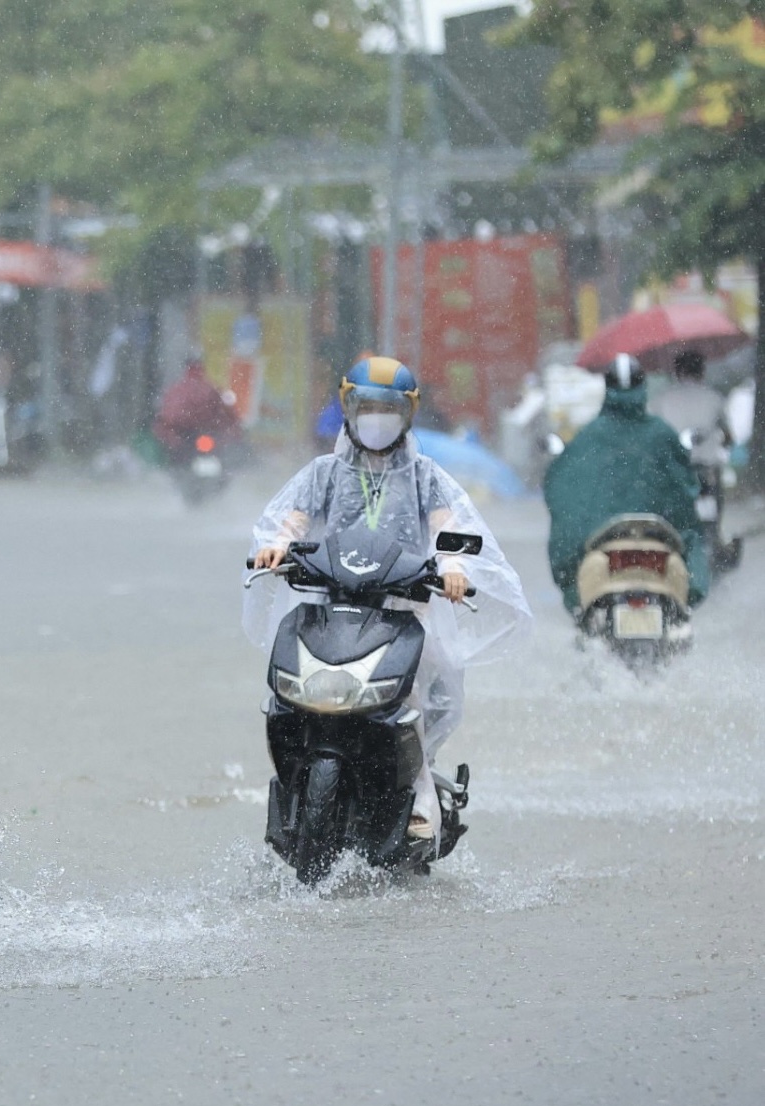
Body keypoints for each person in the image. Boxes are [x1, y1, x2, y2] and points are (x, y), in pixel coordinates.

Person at [247, 356, 531, 843]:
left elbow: (446, 526)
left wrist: (453, 567)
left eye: (389, 409)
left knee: (419, 694)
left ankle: (420, 799)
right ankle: (293, 783)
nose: (376, 418)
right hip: (331, 604)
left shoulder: (424, 476)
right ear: (348, 408)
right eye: (367, 407)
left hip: (402, 608)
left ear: (408, 413)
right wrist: (278, 545)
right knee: (289, 690)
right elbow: (294, 519)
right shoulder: (324, 473)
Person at [544, 353, 709, 614]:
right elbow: (683, 491)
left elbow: (564, 491)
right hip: (659, 539)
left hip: (601, 541)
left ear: (607, 387)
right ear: (642, 385)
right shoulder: (661, 434)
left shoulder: (589, 438)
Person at [650, 349, 730, 465]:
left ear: (677, 372)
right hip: (706, 464)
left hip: (673, 463)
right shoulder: (714, 397)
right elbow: (727, 434)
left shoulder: (661, 399)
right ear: (702, 371)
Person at [153, 356, 240, 462]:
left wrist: (171, 436)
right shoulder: (210, 389)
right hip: (205, 433)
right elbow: (225, 413)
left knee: (177, 457)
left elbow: (167, 416)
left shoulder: (175, 390)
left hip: (182, 435)